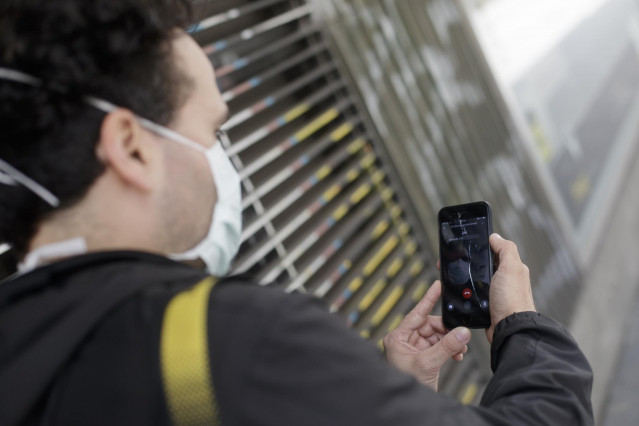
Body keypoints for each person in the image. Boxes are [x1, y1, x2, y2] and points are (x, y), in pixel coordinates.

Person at [0, 0, 593, 425]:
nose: (222, 161)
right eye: (212, 131)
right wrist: (522, 328)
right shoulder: (237, 345)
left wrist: (393, 396)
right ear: (131, 147)